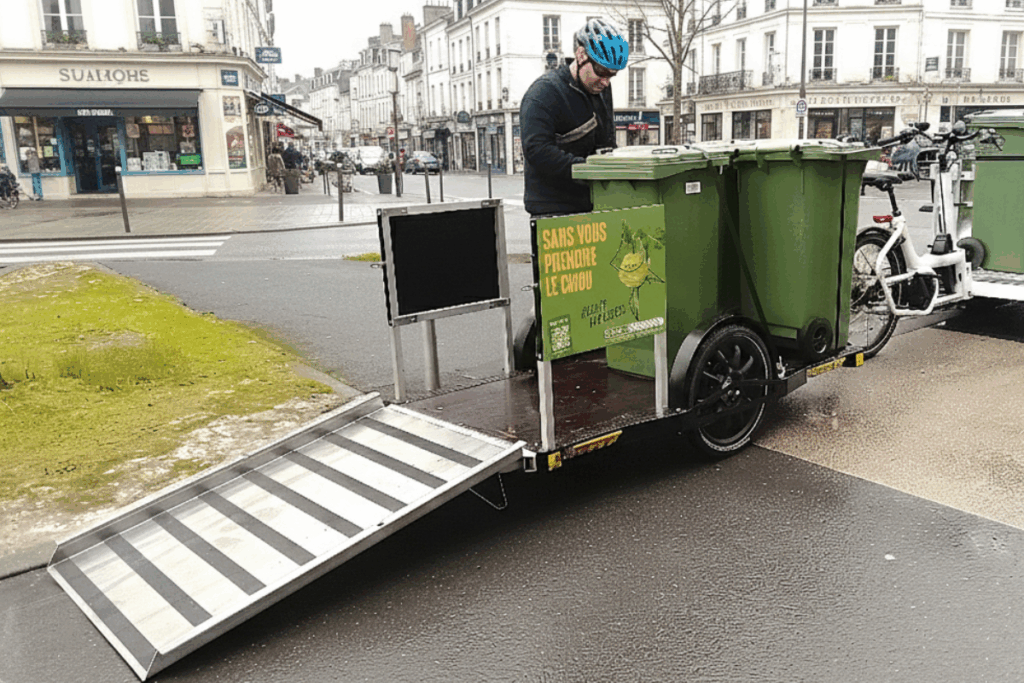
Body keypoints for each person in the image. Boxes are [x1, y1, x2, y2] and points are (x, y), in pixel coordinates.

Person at [520, 18, 629, 217]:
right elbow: (537, 151)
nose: (605, 82)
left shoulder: (601, 90)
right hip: (552, 208)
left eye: (611, 75)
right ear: (581, 55)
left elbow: (606, 141)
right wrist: (588, 169)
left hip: (592, 202)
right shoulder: (544, 93)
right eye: (601, 72)